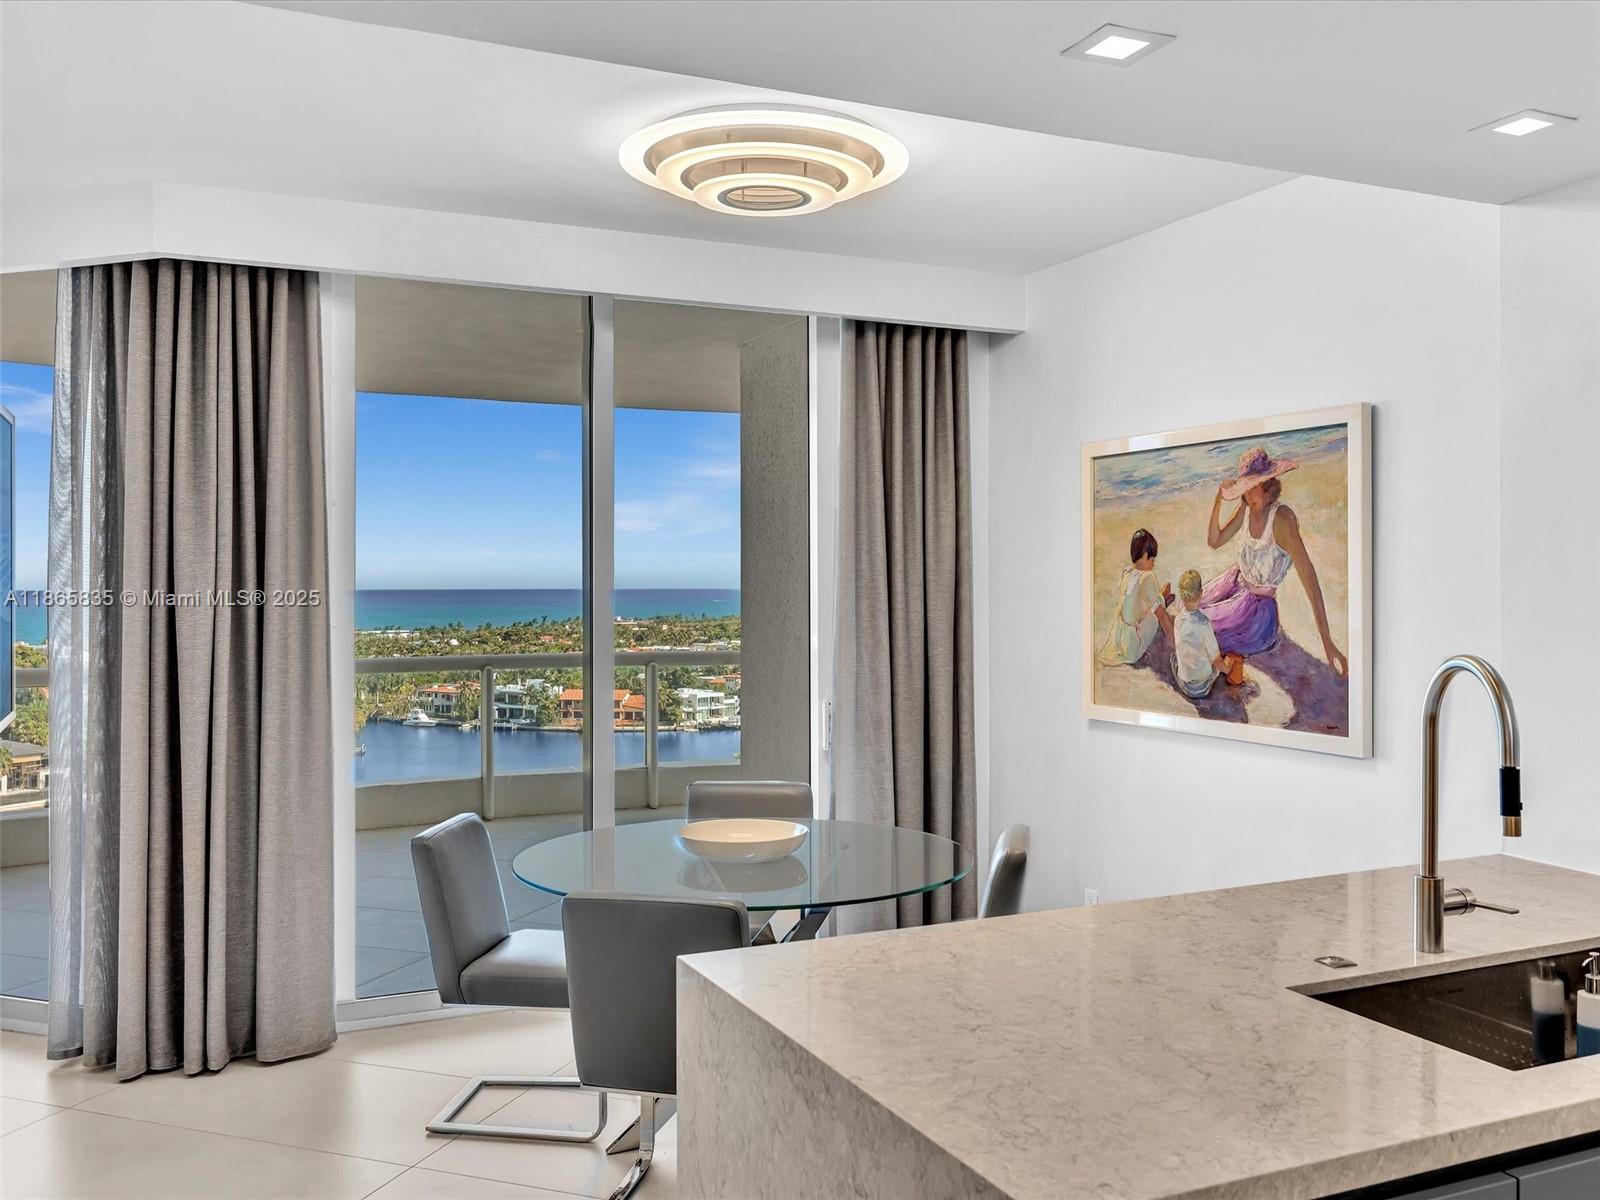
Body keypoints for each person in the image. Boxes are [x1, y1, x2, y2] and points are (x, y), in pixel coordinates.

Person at [1200, 446, 1348, 677]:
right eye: (1245, 489)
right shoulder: (1247, 508)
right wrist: (1219, 499)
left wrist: (1327, 641)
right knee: (1190, 611)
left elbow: (1309, 577)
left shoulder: (1282, 518)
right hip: (1234, 585)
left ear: (1268, 485)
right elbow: (1214, 541)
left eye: (1254, 487)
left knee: (1200, 630)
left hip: (1257, 613)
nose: (1248, 496)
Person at [1154, 569, 1243, 698]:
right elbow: (1216, 660)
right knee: (1218, 659)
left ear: (1182, 596)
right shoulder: (1204, 623)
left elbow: (1176, 644)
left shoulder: (1178, 619)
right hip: (1203, 687)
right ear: (1201, 593)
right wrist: (1227, 668)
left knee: (1174, 656)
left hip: (1184, 684)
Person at [1098, 528, 1170, 666]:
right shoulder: (1147, 577)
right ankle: (1161, 598)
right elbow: (1162, 616)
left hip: (1120, 641)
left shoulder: (1127, 572)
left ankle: (1160, 597)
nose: (1154, 563)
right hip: (1132, 647)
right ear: (1145, 555)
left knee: (1150, 599)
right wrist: (1175, 641)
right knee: (1158, 606)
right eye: (1152, 559)